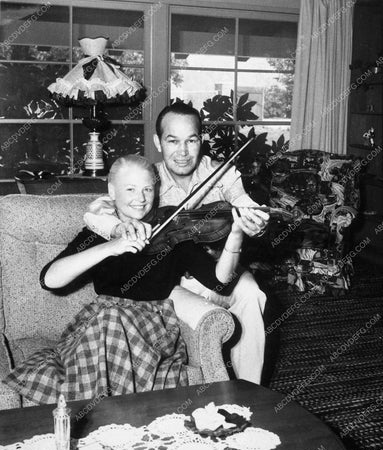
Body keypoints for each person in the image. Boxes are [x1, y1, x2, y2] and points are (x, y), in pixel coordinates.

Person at [3, 155, 249, 404]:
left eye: (147, 189)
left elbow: (220, 282)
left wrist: (236, 236)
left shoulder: (174, 232)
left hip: (151, 330)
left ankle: (96, 413)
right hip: (100, 327)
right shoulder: (99, 232)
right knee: (110, 318)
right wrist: (112, 246)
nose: (140, 198)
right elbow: (49, 279)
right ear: (112, 191)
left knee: (111, 320)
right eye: (130, 189)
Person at [84, 103, 269, 384]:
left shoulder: (221, 173)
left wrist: (255, 221)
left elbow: (244, 202)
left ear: (201, 141)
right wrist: (119, 227)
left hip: (219, 269)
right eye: (173, 141)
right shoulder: (149, 180)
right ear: (158, 142)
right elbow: (96, 210)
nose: (182, 152)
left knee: (253, 293)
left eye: (191, 140)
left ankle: (251, 390)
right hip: (174, 281)